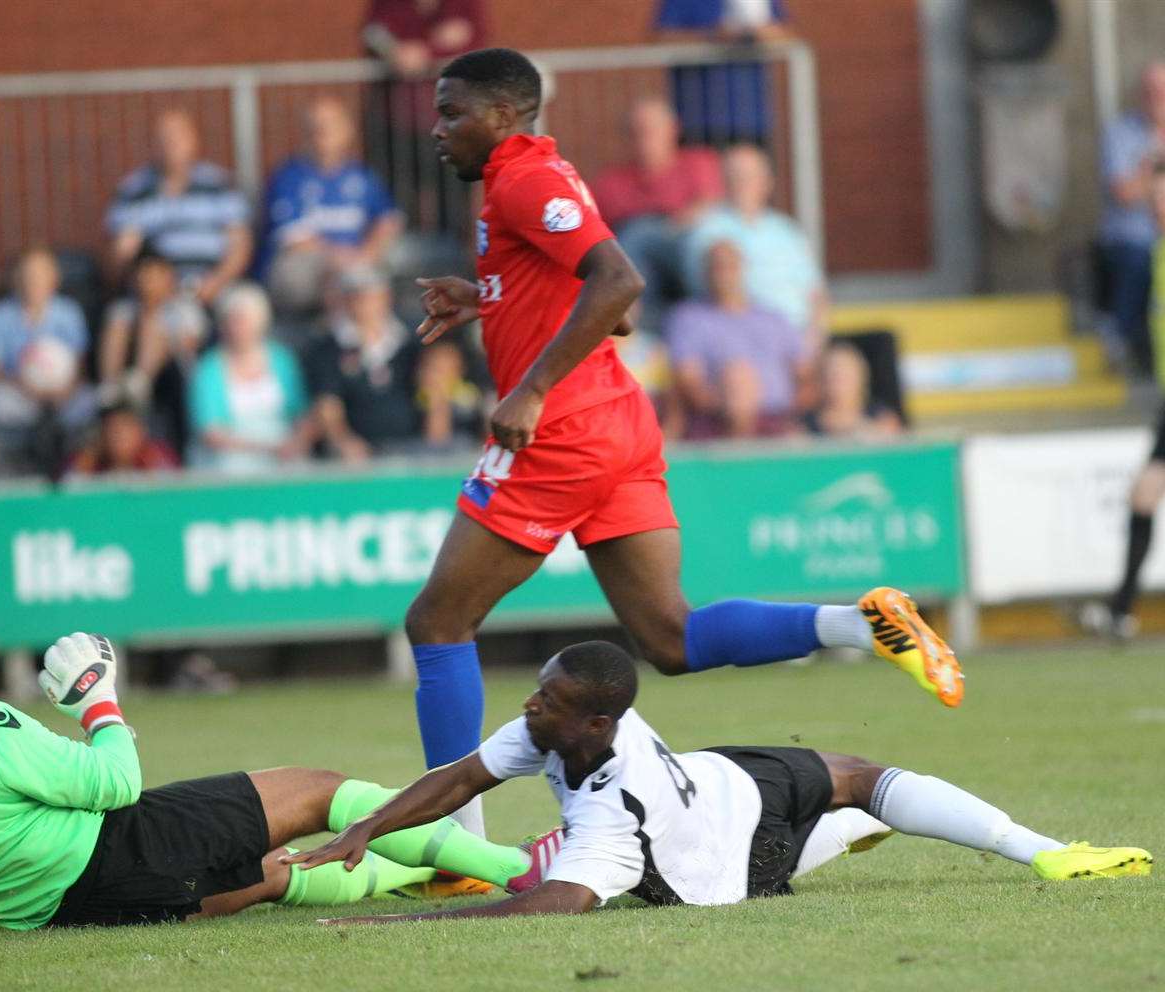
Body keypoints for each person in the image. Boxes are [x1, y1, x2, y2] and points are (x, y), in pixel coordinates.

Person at [404, 48, 961, 840]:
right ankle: (860, 622)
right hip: (619, 422)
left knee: (437, 623)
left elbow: (621, 285)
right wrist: (490, 298)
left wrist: (529, 386)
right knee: (670, 634)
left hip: (563, 429)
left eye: (452, 112)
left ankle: (454, 845)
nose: (438, 129)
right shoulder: (540, 175)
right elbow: (610, 309)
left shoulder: (524, 181)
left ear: (502, 115)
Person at [0, 590, 553, 936]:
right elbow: (116, 784)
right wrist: (98, 703)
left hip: (58, 916)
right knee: (321, 792)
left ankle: (436, 871)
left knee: (273, 875)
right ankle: (518, 871)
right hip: (119, 852)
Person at [285, 640, 1152, 924]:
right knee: (856, 799)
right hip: (724, 817)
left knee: (861, 775)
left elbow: (554, 908)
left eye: (545, 699)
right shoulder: (566, 731)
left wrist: (418, 920)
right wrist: (366, 830)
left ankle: (1044, 852)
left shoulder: (608, 808)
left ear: (598, 723)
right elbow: (459, 778)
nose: (528, 706)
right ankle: (852, 831)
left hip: (721, 818)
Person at [1080, 164, 1165, 641]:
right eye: (1154, 200)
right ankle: (1121, 609)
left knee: (1145, 492)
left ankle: (1120, 608)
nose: (1158, 208)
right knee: (1144, 494)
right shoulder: (1154, 253)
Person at [255, 96, 403, 315]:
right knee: (338, 275)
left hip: (356, 263)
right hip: (307, 272)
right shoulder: (288, 176)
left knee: (390, 260)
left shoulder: (362, 175)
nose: (322, 131)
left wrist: (366, 254)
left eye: (330, 124)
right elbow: (293, 239)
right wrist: (343, 259)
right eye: (315, 125)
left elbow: (388, 220)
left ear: (348, 130)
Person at [591, 98, 723, 332]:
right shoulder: (611, 182)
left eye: (651, 129)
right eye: (636, 131)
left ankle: (711, 317)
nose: (644, 138)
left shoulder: (698, 163)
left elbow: (708, 209)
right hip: (642, 269)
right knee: (632, 240)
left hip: (686, 254)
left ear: (674, 129)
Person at [682, 143, 826, 351]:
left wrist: (813, 340)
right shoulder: (707, 229)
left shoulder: (787, 230)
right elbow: (704, 288)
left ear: (767, 182)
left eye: (749, 176)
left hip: (798, 337)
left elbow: (816, 293)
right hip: (741, 340)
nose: (741, 183)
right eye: (734, 176)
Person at [361, 0, 487, 235]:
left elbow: (472, 44)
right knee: (398, 207)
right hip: (397, 124)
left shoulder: (464, 5)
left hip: (454, 126)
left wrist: (426, 52)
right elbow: (373, 34)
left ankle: (454, 264)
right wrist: (396, 53)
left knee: (453, 210)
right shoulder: (387, 5)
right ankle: (403, 268)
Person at [105, 109, 252, 304]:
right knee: (122, 316)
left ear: (194, 140)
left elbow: (240, 246)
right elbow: (114, 262)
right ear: (152, 144)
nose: (171, 145)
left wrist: (216, 283)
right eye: (164, 139)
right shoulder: (133, 192)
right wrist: (123, 255)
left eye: (177, 137)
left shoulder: (219, 185)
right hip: (153, 295)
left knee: (244, 306)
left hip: (216, 287)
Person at [664, 239, 807, 439]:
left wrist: (791, 415)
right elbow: (689, 382)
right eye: (717, 267)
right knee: (738, 377)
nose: (723, 274)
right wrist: (737, 407)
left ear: (742, 268)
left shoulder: (773, 318)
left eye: (729, 266)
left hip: (780, 423)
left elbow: (805, 377)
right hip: (717, 425)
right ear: (705, 273)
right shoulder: (689, 318)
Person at [0, 247, 97, 451]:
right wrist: (23, 386)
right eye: (27, 275)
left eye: (40, 275)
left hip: (62, 393)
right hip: (19, 392)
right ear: (15, 279)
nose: (33, 282)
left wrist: (65, 390)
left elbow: (80, 364)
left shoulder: (69, 312)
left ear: (54, 279)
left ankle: (75, 460)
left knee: (87, 402)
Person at [186, 283, 311, 474]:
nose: (236, 328)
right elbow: (209, 432)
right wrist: (266, 448)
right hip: (228, 457)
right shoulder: (209, 368)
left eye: (242, 320)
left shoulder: (282, 359)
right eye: (231, 320)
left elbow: (300, 413)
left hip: (282, 452)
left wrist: (297, 442)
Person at [306, 265, 425, 461]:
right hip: (356, 452)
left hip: (411, 446)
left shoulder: (409, 342)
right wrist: (343, 441)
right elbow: (327, 404)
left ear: (386, 298)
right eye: (356, 297)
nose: (364, 303)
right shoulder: (327, 347)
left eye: (370, 296)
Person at [98, 249, 207, 451]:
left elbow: (189, 347)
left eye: (154, 276)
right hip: (125, 376)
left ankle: (140, 381)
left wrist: (153, 318)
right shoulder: (123, 309)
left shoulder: (185, 308)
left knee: (153, 326)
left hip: (174, 377)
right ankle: (110, 386)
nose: (147, 282)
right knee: (120, 323)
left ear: (168, 278)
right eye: (143, 276)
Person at [1096, 62, 1165, 372]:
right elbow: (1124, 193)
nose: (1157, 100)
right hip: (1133, 238)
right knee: (1138, 258)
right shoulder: (1121, 133)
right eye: (1151, 93)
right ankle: (1120, 338)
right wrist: (1151, 170)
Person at [654, 0, 793, 147]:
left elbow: (787, 35)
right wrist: (713, 37)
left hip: (751, 119)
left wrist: (757, 33)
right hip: (698, 121)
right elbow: (662, 38)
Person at [804, 340, 902, 439]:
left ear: (860, 376)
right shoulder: (802, 427)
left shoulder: (884, 420)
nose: (836, 382)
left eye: (844, 375)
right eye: (830, 375)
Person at [65, 398, 180, 477]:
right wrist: (84, 465)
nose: (117, 435)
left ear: (139, 431)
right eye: (111, 428)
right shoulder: (90, 461)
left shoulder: (157, 457)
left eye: (124, 427)